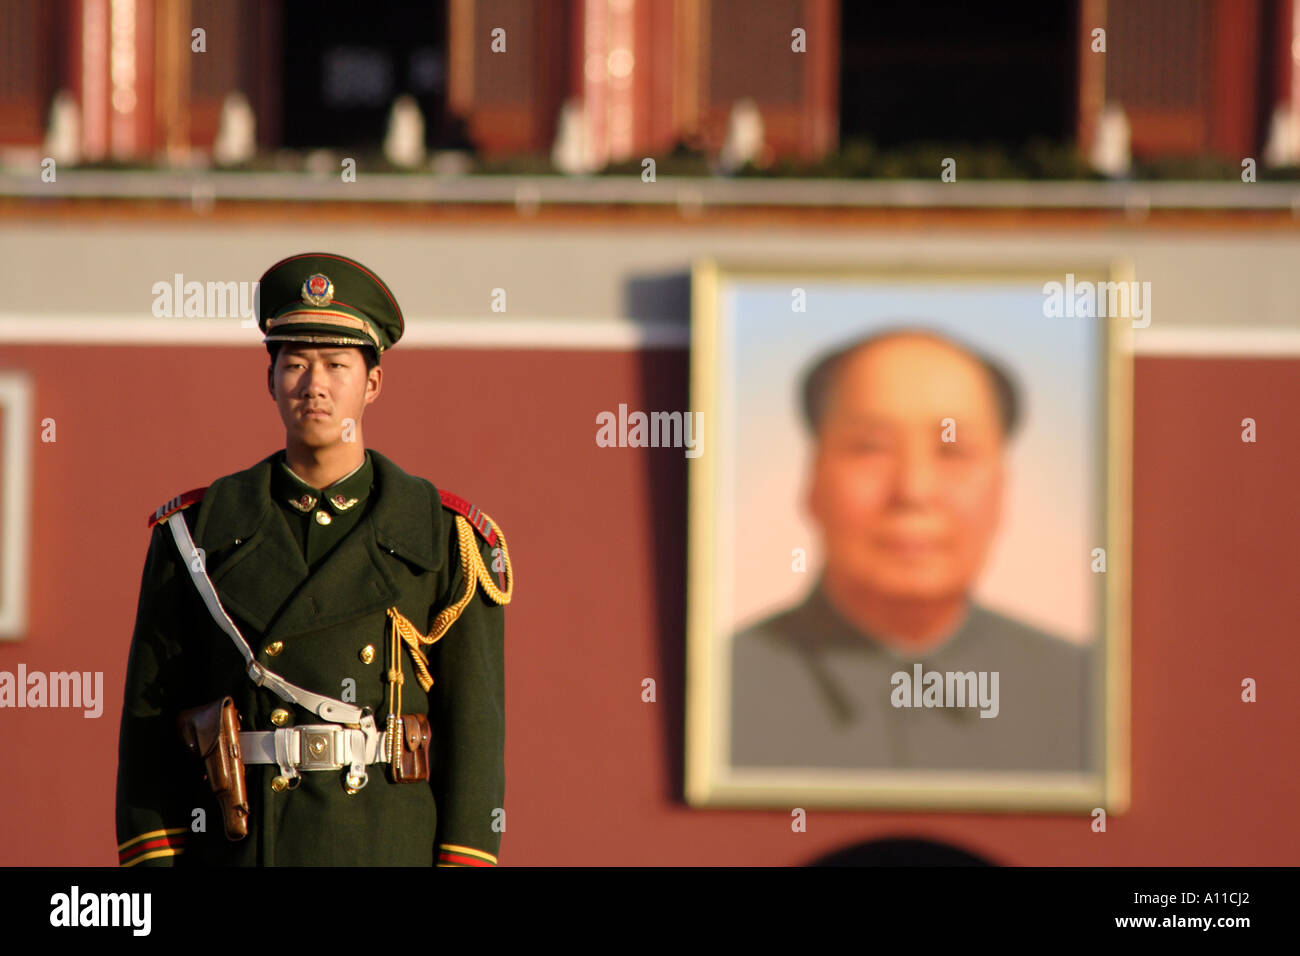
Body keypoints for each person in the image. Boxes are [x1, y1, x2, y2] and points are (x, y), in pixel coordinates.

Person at [115, 252, 512, 866]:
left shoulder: (444, 540)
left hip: (382, 846)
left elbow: (475, 737)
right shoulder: (196, 534)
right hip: (241, 847)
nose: (314, 385)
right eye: (295, 364)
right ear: (269, 379)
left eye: (335, 364)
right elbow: (150, 723)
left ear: (373, 382)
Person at [730, 328, 1090, 772]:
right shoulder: (718, 695)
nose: (913, 490)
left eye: (953, 451)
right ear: (812, 479)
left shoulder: (1084, 695)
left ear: (1002, 488)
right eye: (870, 448)